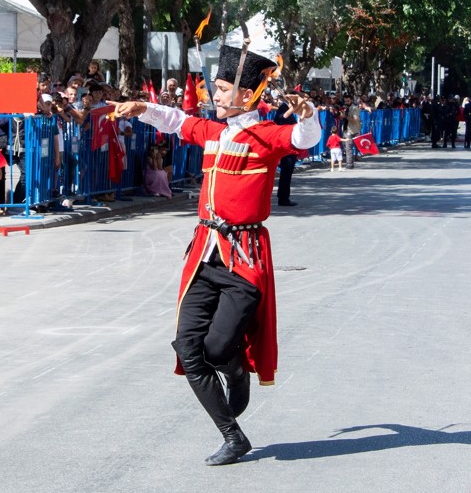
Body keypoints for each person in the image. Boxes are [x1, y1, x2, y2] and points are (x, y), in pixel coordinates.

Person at [108, 41, 320, 466]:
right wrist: (141, 108)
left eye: (222, 89)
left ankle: (235, 369)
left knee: (220, 349)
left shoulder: (266, 135)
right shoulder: (214, 132)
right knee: (188, 347)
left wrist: (308, 113)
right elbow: (177, 121)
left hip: (243, 257)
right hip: (205, 254)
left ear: (247, 95)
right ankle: (233, 436)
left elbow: (303, 139)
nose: (214, 95)